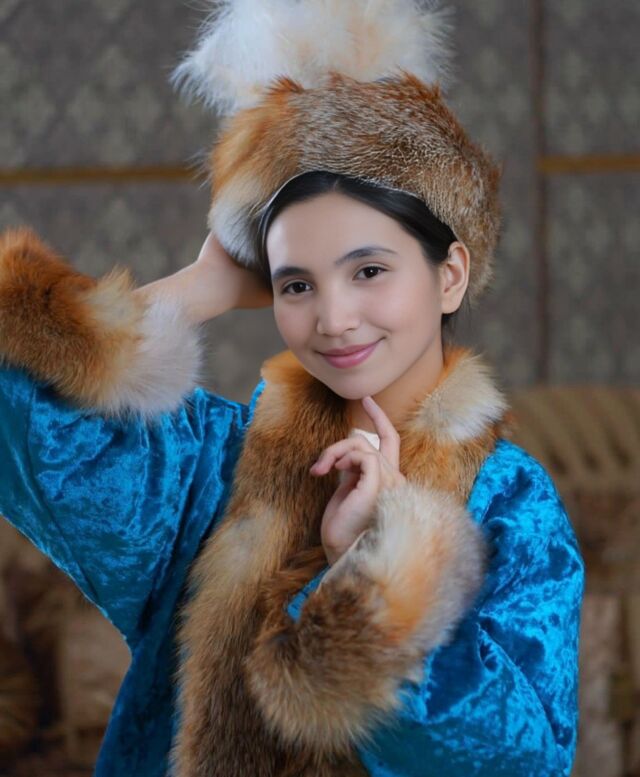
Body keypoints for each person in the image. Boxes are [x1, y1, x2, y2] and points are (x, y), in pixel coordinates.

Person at [0, 2, 584, 776]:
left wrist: (373, 568)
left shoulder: (512, 502)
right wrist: (201, 286)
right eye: (296, 283)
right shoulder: (208, 467)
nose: (333, 318)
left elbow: (523, 760)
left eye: (368, 270)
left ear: (449, 275)